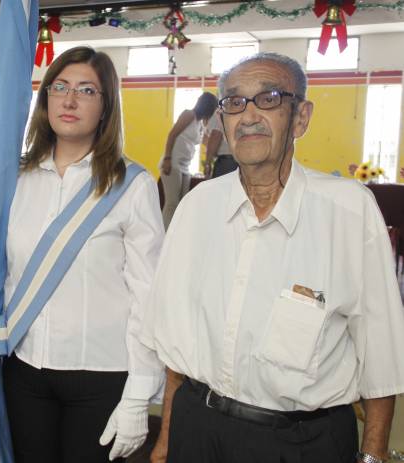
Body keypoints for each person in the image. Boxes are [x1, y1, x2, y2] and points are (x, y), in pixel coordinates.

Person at [141, 52, 404, 463]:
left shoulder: (349, 210)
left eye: (269, 99)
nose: (248, 116)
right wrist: (166, 440)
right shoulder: (198, 206)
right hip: (198, 427)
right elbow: (177, 341)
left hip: (300, 441)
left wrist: (373, 456)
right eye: (234, 102)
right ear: (223, 120)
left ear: (301, 118)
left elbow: (381, 349)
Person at [2, 46, 165, 463]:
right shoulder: (16, 179)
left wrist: (139, 396)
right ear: (46, 100)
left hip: (100, 376)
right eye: (60, 87)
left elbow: (148, 298)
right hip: (23, 370)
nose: (70, 100)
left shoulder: (132, 185)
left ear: (106, 106)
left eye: (87, 90)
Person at [159, 92, 217, 229]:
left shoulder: (200, 123)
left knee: (182, 203)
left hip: (185, 166)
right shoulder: (189, 115)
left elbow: (207, 142)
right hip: (172, 162)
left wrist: (212, 158)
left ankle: (176, 232)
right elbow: (172, 135)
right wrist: (167, 158)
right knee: (172, 203)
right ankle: (164, 235)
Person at [204, 112, 238, 178]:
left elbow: (215, 136)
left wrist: (207, 163)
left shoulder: (220, 112)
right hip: (247, 162)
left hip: (227, 163)